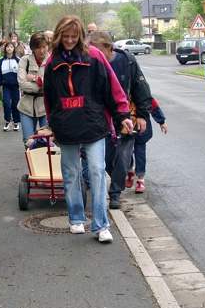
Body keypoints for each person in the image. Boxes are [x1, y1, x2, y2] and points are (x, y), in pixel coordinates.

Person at [43, 15, 133, 243]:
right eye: (66, 36)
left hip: (94, 123)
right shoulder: (52, 63)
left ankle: (101, 225)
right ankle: (75, 218)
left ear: (82, 35)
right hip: (66, 125)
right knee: (71, 173)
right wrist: (52, 122)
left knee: (96, 170)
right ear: (59, 35)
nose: (70, 40)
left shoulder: (95, 56)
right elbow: (49, 97)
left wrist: (123, 115)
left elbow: (112, 89)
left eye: (75, 36)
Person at [88, 30, 152, 210]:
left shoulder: (128, 62)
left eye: (98, 50)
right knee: (107, 159)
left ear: (109, 48)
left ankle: (115, 193)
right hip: (101, 119)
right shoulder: (90, 64)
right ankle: (120, 175)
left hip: (126, 117)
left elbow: (141, 88)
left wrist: (142, 115)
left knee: (123, 157)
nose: (94, 54)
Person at [127, 98, 168, 193]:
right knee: (126, 153)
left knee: (140, 154)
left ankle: (140, 180)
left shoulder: (143, 94)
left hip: (141, 128)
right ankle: (129, 170)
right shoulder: (125, 89)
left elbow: (153, 106)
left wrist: (161, 122)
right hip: (126, 127)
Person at [17, 32, 49, 144]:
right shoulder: (24, 61)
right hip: (27, 106)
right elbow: (22, 83)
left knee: (47, 141)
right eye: (38, 47)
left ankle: (46, 162)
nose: (41, 51)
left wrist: (36, 79)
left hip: (46, 106)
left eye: (44, 47)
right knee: (28, 140)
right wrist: (40, 87)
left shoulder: (52, 61)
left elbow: (53, 84)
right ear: (32, 48)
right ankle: (31, 162)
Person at [0, 41, 21, 131]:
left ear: (14, 49)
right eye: (8, 47)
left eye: (11, 47)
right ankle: (7, 120)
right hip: (6, 86)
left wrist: (22, 86)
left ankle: (16, 121)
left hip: (16, 86)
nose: (9, 48)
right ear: (5, 48)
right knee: (6, 102)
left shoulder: (17, 60)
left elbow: (21, 74)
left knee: (16, 103)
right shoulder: (1, 61)